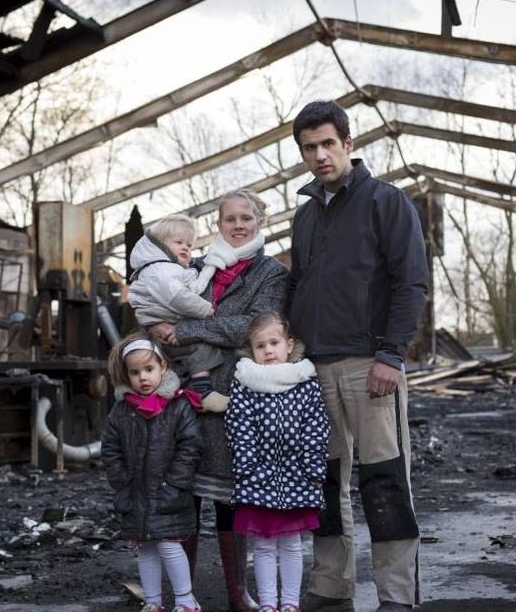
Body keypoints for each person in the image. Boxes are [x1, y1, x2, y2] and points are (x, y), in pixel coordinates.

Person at [286, 100, 429, 612]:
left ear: (349, 143)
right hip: (313, 368)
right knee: (323, 482)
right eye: (309, 147)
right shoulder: (303, 217)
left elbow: (411, 282)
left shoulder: (386, 202)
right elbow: (299, 286)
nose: (320, 155)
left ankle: (395, 597)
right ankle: (331, 585)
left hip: (370, 366)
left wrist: (391, 355)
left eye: (328, 143)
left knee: (385, 479)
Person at [148, 189, 288, 612]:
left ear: (259, 221)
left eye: (247, 217)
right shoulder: (194, 268)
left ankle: (236, 592)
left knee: (231, 496)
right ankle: (184, 594)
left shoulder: (271, 273)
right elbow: (160, 307)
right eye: (230, 219)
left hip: (234, 397)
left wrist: (186, 330)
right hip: (183, 393)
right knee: (183, 493)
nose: (239, 224)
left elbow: (253, 327)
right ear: (219, 223)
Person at [226, 311, 329, 612]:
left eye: (274, 343)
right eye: (260, 346)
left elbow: (316, 427)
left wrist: (313, 468)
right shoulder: (246, 383)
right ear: (252, 351)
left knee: (292, 544)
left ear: (289, 345)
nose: (268, 350)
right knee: (263, 545)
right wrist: (245, 468)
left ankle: (290, 603)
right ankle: (268, 603)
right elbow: (238, 426)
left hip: (298, 475)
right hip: (258, 476)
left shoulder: (304, 383)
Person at [101, 333, 204, 612]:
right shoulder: (122, 410)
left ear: (163, 368)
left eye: (149, 369)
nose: (143, 377)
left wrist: (174, 484)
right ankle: (153, 601)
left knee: (170, 547)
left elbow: (190, 446)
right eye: (135, 373)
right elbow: (110, 448)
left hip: (170, 493)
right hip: (135, 493)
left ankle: (185, 600)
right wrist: (123, 482)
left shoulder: (177, 406)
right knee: (145, 549)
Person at [128, 214, 225, 402]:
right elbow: (178, 297)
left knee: (171, 360)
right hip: (162, 319)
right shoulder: (162, 269)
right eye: (178, 242)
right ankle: (203, 392)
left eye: (189, 245)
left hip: (159, 321)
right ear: (160, 246)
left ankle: (167, 391)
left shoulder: (166, 268)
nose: (185, 248)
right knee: (199, 348)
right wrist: (206, 309)